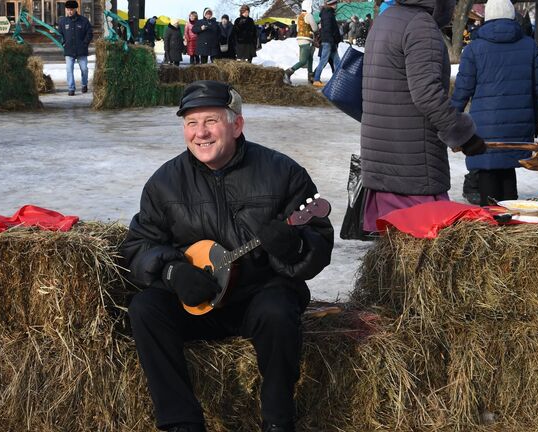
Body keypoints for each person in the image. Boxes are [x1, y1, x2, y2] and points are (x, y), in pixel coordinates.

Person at [121, 80, 334, 432]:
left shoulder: (283, 173)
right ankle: (181, 423)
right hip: (199, 304)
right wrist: (173, 273)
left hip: (257, 294)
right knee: (145, 310)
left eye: (211, 121)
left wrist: (292, 247)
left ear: (237, 124)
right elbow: (137, 246)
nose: (200, 133)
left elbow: (319, 245)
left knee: (278, 311)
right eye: (191, 123)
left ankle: (278, 421)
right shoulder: (164, 183)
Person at [359, 0, 486, 232]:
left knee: (398, 255)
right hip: (413, 165)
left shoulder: (385, 20)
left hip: (385, 162)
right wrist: (464, 135)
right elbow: (427, 94)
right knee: (425, 255)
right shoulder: (419, 25)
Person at [451, 0, 538, 204]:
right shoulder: (529, 46)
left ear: (487, 17)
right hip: (519, 121)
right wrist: (537, 120)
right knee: (508, 167)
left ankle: (493, 223)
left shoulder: (474, 49)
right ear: (512, 16)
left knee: (488, 171)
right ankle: (510, 223)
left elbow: (462, 90)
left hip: (485, 124)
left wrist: (452, 122)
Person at [57, 0, 93, 96]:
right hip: (69, 50)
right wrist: (63, 42)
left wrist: (85, 43)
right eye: (68, 10)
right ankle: (71, 88)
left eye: (71, 10)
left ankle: (84, 84)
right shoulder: (62, 21)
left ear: (76, 9)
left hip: (81, 50)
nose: (69, 12)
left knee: (84, 69)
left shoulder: (84, 21)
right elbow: (59, 34)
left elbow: (89, 33)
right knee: (69, 69)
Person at [284, 0, 319, 84]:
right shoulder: (309, 15)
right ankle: (288, 72)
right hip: (306, 40)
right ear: (309, 6)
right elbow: (315, 28)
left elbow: (297, 29)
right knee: (303, 61)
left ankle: (310, 76)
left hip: (299, 39)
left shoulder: (299, 16)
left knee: (310, 57)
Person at [312, 0, 342, 87]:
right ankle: (316, 79)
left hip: (330, 41)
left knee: (337, 61)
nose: (336, 5)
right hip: (328, 42)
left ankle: (337, 79)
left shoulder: (328, 13)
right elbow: (328, 30)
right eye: (335, 3)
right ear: (332, 4)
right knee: (323, 61)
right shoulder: (328, 14)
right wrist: (332, 42)